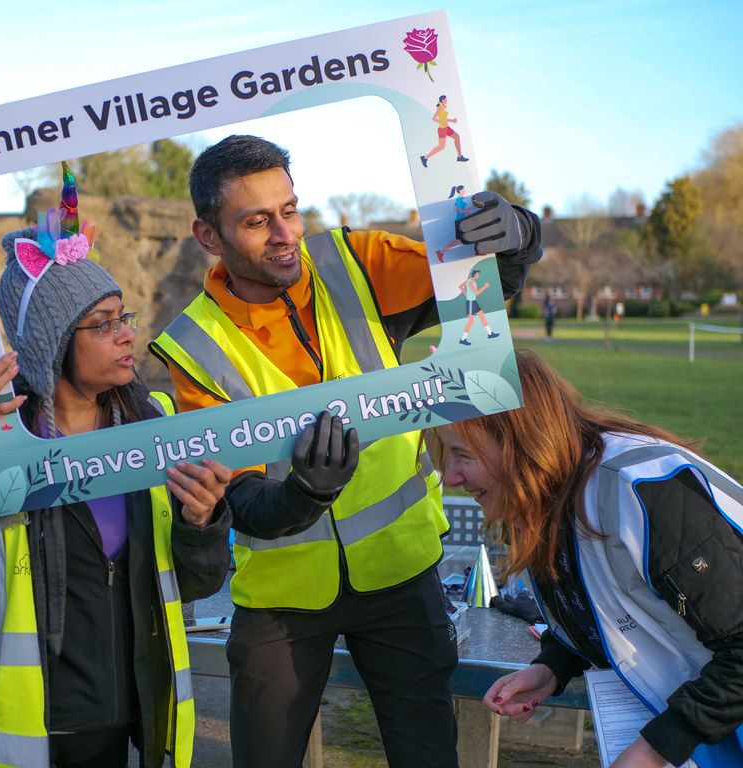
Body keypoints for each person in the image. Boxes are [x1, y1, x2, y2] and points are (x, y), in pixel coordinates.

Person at [149, 134, 543, 768]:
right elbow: (242, 501)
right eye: (256, 221)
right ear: (208, 235)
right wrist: (306, 494)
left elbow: (484, 287)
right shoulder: (197, 344)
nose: (284, 234)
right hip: (281, 601)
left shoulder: (354, 261)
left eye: (289, 209)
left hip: (401, 575)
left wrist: (519, 231)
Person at [0, 194, 234, 768]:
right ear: (50, 343)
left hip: (129, 726)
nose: (126, 336)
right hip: (17, 737)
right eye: (103, 324)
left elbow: (191, 584)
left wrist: (203, 523)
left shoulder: (155, 429)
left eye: (125, 319)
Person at [428, 349, 743, 768]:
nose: (450, 477)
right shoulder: (545, 499)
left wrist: (654, 750)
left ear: (522, 444)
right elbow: (604, 604)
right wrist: (552, 667)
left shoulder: (638, 492)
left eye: (464, 455)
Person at [420, 94, 469, 167]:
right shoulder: (440, 108)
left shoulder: (443, 108)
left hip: (446, 128)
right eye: (445, 99)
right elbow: (434, 118)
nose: (447, 100)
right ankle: (425, 158)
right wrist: (442, 122)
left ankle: (459, 157)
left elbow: (444, 118)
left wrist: (451, 120)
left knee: (457, 137)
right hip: (442, 129)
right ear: (442, 100)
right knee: (441, 146)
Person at [458, 268, 500, 345]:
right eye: (477, 274)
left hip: (474, 301)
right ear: (474, 274)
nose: (478, 275)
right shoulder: (470, 282)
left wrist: (466, 293)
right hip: (470, 302)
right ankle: (462, 339)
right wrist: (485, 287)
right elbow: (476, 293)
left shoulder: (471, 281)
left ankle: (490, 333)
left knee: (482, 316)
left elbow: (461, 286)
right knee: (471, 321)